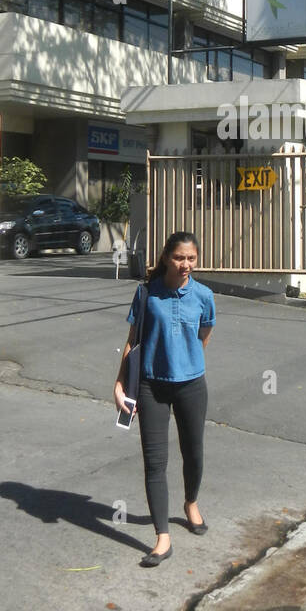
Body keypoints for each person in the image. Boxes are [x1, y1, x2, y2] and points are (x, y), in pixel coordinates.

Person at [114, 231, 215, 567]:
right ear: (167, 258)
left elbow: (204, 332)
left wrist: (187, 358)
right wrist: (120, 384)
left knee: (194, 453)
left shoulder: (203, 295)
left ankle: (190, 503)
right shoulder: (146, 294)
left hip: (191, 386)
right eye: (179, 258)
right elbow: (133, 341)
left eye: (191, 258)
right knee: (155, 462)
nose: (185, 264)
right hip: (151, 386)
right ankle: (162, 537)